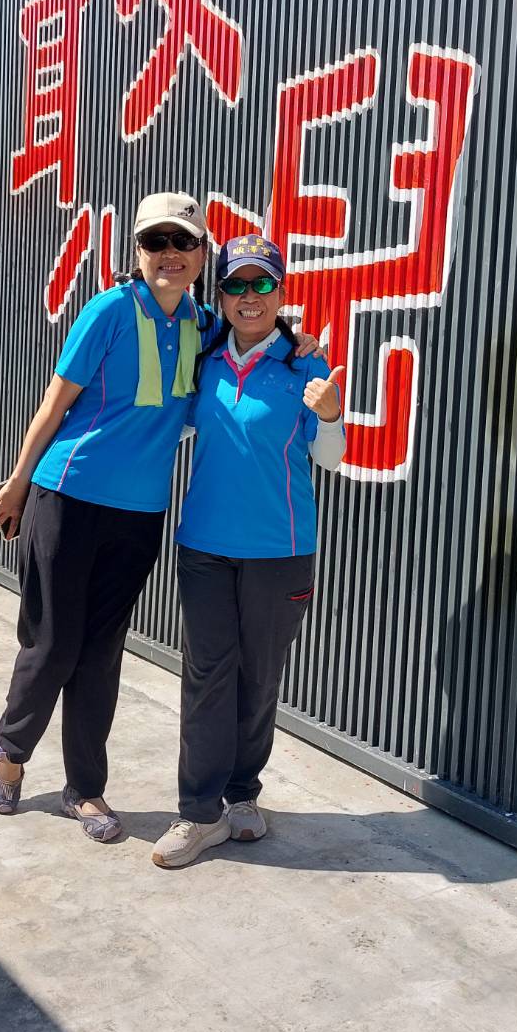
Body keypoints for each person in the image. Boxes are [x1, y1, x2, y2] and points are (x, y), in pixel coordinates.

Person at [0, 192, 217, 842]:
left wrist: (297, 341)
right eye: (156, 241)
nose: (169, 254)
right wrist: (19, 484)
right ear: (138, 251)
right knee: (54, 642)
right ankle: (8, 753)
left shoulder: (202, 324)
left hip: (139, 513)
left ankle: (84, 789)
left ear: (201, 253)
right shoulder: (108, 310)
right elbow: (54, 403)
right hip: (69, 495)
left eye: (183, 241)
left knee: (101, 651)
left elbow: (256, 341)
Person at [151, 233, 345, 869]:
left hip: (279, 550)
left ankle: (242, 796)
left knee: (259, 678)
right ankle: (198, 813)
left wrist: (332, 415)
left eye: (262, 283)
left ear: (281, 292)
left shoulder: (306, 366)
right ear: (221, 295)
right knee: (207, 676)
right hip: (205, 546)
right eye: (235, 284)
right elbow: (168, 421)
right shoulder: (203, 358)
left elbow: (328, 458)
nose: (248, 296)